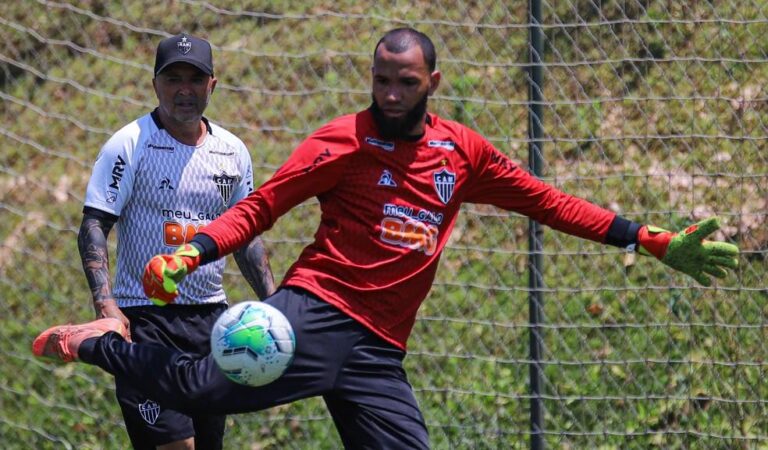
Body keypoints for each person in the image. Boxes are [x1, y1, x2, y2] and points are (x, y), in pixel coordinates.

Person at [34, 28, 738, 449]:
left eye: (405, 82)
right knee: (199, 390)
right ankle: (96, 344)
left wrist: (646, 238)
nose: (391, 94)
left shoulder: (463, 154)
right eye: (381, 80)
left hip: (378, 351)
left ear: (432, 80)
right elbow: (263, 206)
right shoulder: (343, 140)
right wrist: (196, 251)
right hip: (314, 312)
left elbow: (547, 203)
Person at [74, 32, 275, 450]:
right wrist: (106, 304)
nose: (184, 90)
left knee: (206, 444)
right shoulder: (130, 144)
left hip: (210, 321)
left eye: (195, 79)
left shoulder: (233, 151)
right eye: (173, 79)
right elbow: (94, 224)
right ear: (155, 85)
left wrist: (273, 301)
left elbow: (245, 236)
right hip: (144, 319)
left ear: (212, 85)